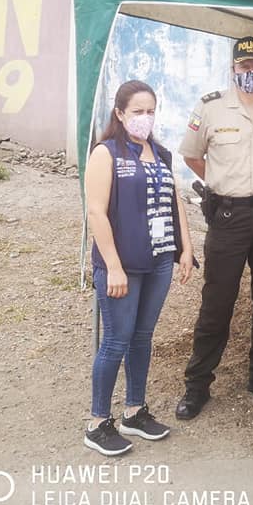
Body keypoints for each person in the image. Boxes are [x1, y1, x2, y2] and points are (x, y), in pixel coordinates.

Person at [175, 36, 253, 419]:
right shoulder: (210, 108)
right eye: (245, 66)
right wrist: (221, 180)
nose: (251, 72)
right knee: (217, 302)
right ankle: (197, 385)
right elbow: (192, 155)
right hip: (227, 216)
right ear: (233, 69)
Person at [84, 80, 195, 456]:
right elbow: (96, 212)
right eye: (137, 111)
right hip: (123, 265)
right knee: (116, 340)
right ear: (119, 113)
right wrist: (113, 267)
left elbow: (175, 201)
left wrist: (186, 248)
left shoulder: (160, 153)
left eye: (151, 111)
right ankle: (98, 422)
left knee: (142, 337)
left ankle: (134, 411)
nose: (145, 118)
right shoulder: (106, 153)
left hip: (159, 261)